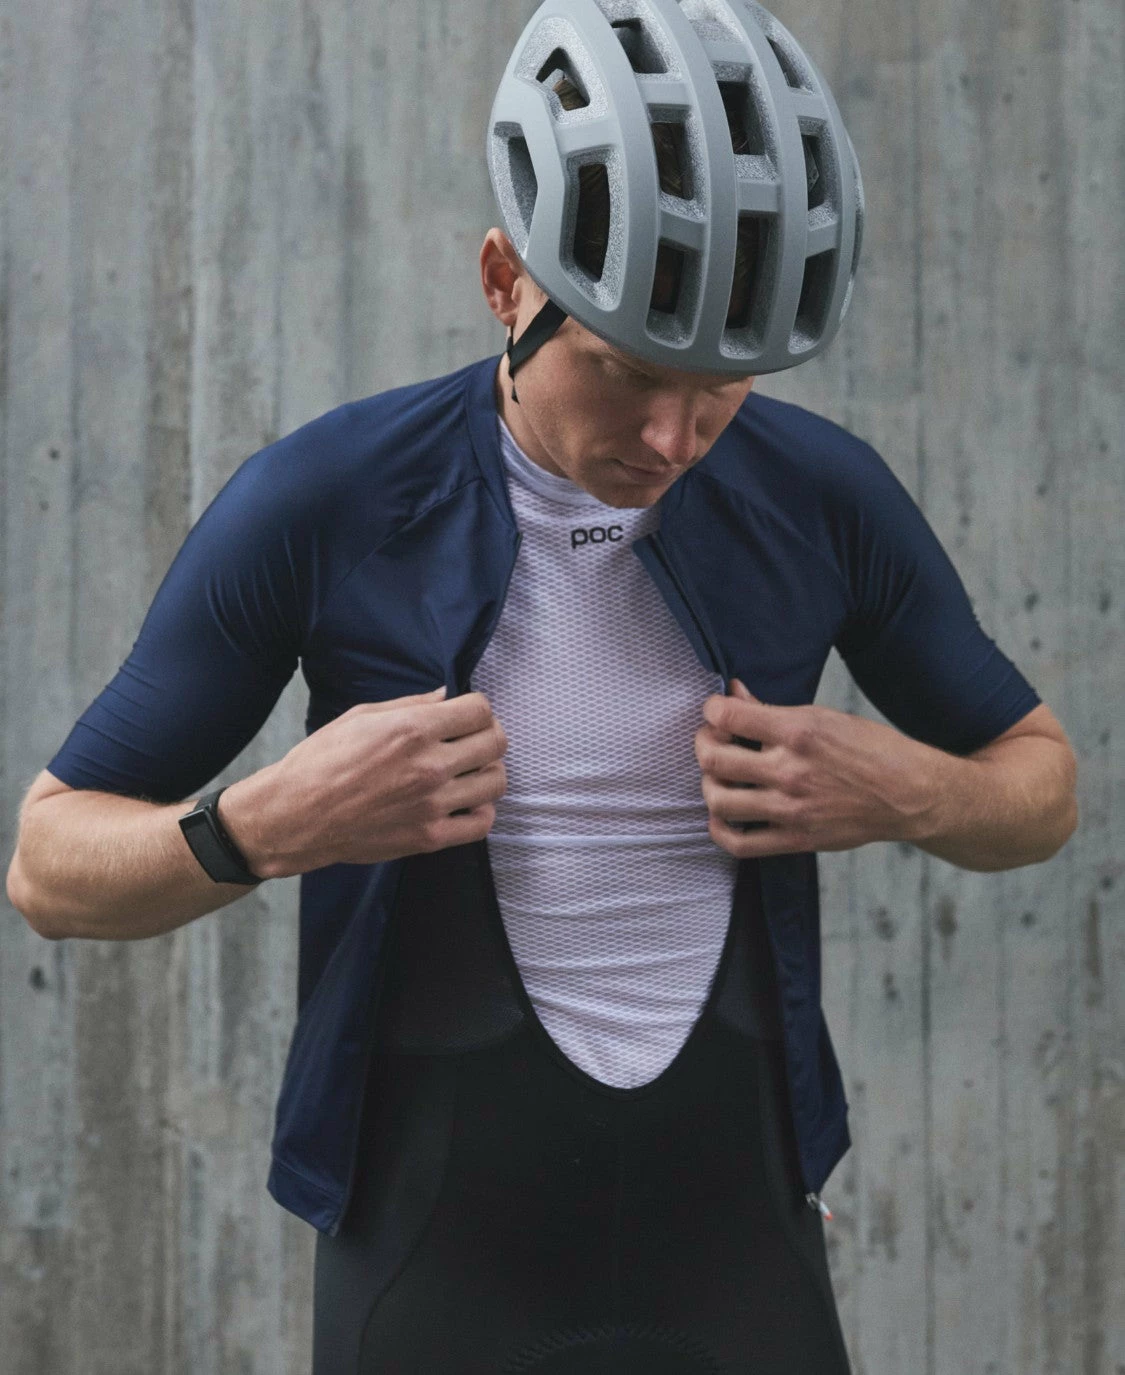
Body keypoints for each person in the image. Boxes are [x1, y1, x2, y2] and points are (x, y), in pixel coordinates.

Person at [7, 1, 1076, 1371]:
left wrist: (905, 789)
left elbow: (1041, 786)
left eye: (727, 386)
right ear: (506, 281)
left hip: (739, 1238)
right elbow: (49, 864)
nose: (675, 437)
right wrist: (265, 823)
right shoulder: (328, 500)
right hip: (434, 1253)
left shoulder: (821, 497)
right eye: (629, 375)